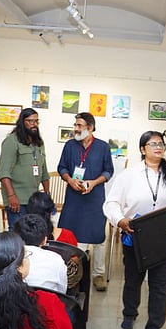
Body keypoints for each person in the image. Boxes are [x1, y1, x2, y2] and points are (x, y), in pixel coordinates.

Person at [103, 131, 166, 329]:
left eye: (161, 144)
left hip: (165, 237)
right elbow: (111, 203)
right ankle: (129, 313)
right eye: (153, 143)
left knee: (160, 286)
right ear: (142, 149)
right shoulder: (129, 175)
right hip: (135, 234)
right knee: (133, 280)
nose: (158, 147)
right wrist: (120, 220)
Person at [57, 112, 113, 291]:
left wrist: (94, 183)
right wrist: (70, 180)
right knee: (72, 233)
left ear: (90, 128)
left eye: (79, 125)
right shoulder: (70, 146)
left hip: (95, 198)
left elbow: (108, 171)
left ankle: (98, 275)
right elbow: (62, 167)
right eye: (75, 125)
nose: (75, 128)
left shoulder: (103, 147)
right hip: (74, 198)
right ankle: (75, 272)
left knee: (98, 236)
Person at [0, 108, 50, 230]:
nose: (34, 124)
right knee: (18, 233)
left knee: (34, 233)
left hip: (34, 200)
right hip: (17, 199)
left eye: (36, 121)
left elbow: (44, 173)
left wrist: (47, 195)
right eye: (30, 121)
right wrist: (11, 196)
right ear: (22, 122)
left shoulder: (39, 143)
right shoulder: (11, 141)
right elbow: (3, 172)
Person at [14, 214, 67, 294]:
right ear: (45, 240)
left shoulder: (8, 256)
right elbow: (62, 292)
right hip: (48, 301)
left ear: (16, 237)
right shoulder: (57, 259)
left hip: (14, 301)